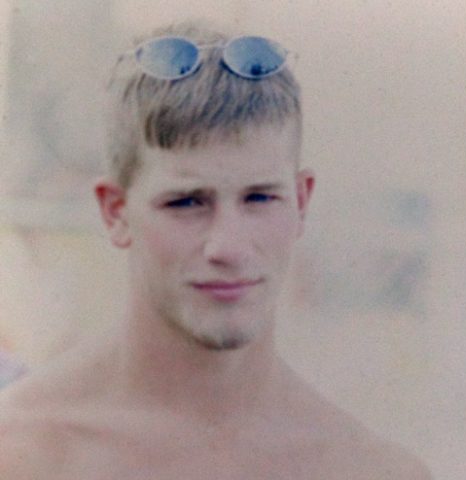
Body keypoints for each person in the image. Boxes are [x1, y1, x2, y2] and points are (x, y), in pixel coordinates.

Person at [0, 21, 431, 479]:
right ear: (116, 211)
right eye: (186, 202)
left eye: (260, 198)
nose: (228, 247)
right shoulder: (24, 451)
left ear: (302, 201)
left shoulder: (367, 468)